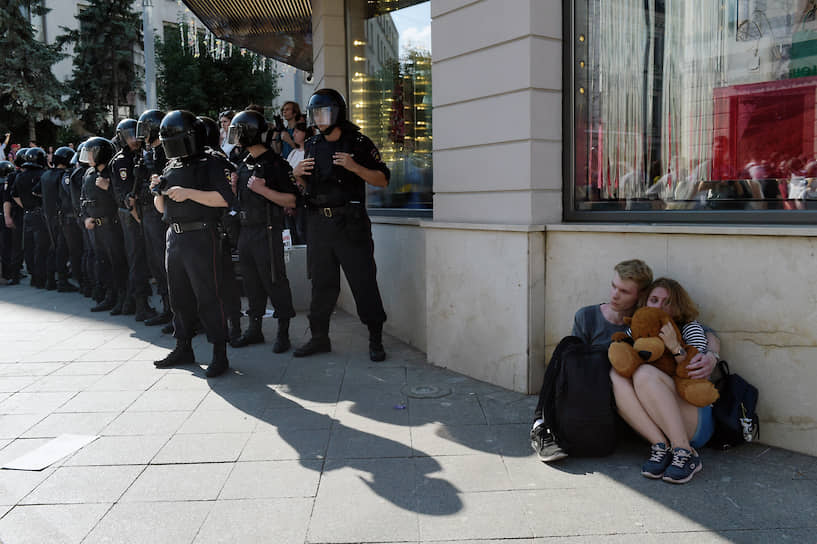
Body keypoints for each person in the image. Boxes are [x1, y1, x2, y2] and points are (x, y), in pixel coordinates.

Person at [292, 88, 389, 361]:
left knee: (363, 280)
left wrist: (355, 167)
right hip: (319, 224)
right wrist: (296, 175)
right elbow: (307, 186)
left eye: (324, 113)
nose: (319, 119)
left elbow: (382, 179)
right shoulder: (311, 145)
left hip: (350, 224)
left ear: (337, 113)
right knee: (321, 284)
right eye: (315, 114)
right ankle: (319, 337)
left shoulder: (357, 142)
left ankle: (375, 338)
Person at [529, 259, 654, 463]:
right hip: (586, 391)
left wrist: (711, 353)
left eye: (624, 291)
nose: (615, 294)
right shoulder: (587, 316)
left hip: (620, 400)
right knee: (567, 346)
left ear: (640, 295)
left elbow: (694, 327)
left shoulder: (644, 322)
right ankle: (540, 426)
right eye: (614, 286)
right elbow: (574, 367)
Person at [150, 110, 234, 378]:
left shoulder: (210, 162)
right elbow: (160, 206)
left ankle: (219, 352)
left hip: (201, 234)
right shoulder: (170, 165)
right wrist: (157, 189)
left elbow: (225, 199)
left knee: (208, 295)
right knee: (179, 296)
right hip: (174, 235)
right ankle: (183, 346)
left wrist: (189, 194)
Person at [613, 277, 720, 484]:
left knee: (644, 373)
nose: (660, 306)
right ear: (646, 303)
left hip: (693, 418)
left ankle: (685, 452)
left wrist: (675, 348)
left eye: (667, 302)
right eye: (654, 300)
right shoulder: (639, 327)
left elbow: (697, 377)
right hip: (657, 420)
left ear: (677, 305)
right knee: (616, 375)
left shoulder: (689, 328)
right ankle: (660, 446)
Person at [227, 109, 298, 352]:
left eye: (238, 132)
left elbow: (292, 200)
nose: (235, 137)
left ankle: (283, 332)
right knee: (251, 282)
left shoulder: (275, 164)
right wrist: (236, 189)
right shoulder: (243, 162)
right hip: (246, 230)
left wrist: (264, 190)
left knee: (275, 280)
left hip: (267, 230)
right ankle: (254, 329)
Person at [110, 118, 157, 321]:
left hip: (140, 210)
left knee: (143, 257)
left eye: (134, 134)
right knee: (137, 257)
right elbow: (128, 192)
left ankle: (133, 301)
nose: (134, 139)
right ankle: (140, 304)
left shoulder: (141, 154)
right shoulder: (122, 159)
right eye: (129, 136)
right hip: (130, 212)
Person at [80, 137, 129, 314]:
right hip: (96, 228)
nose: (89, 157)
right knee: (103, 263)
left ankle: (123, 298)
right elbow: (83, 199)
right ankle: (110, 296)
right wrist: (85, 217)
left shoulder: (112, 172)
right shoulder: (88, 174)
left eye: (92, 153)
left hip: (113, 226)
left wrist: (108, 187)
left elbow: (121, 198)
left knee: (117, 263)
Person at [134, 109, 173, 327]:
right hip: (149, 212)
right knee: (156, 264)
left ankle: (176, 312)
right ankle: (168, 308)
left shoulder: (165, 153)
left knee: (164, 263)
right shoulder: (151, 153)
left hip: (160, 213)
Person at [10, 147, 50, 288]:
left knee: (29, 247)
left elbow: (14, 195)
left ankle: (34, 277)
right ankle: (41, 278)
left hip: (27, 215)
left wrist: (26, 206)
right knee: (41, 247)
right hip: (40, 215)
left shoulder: (20, 176)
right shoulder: (43, 174)